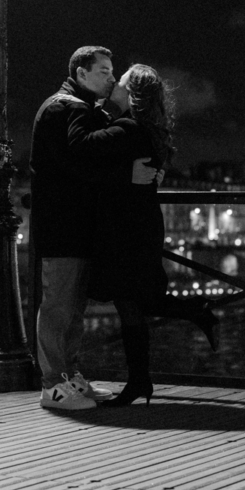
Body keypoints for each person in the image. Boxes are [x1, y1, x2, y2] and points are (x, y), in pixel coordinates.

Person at [30, 46, 159, 410]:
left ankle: (69, 378)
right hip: (64, 224)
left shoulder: (76, 107)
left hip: (74, 222)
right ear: (81, 73)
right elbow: (78, 160)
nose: (112, 79)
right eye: (103, 71)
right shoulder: (65, 107)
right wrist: (126, 173)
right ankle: (53, 385)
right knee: (59, 306)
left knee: (72, 308)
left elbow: (85, 157)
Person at [86, 64, 219, 406]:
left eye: (122, 81)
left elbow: (83, 149)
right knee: (134, 302)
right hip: (140, 225)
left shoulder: (126, 128)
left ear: (132, 94)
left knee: (131, 302)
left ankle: (142, 379)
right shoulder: (147, 131)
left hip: (126, 229)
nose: (115, 82)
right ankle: (142, 377)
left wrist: (101, 110)